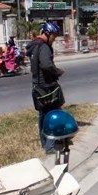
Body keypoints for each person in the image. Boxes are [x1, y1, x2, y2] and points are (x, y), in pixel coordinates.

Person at [26, 22, 64, 152]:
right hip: (46, 86)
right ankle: (50, 146)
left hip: (37, 85)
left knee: (43, 114)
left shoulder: (35, 45)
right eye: (54, 36)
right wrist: (57, 71)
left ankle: (44, 142)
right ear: (47, 34)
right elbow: (47, 65)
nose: (54, 39)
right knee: (54, 113)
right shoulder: (44, 47)